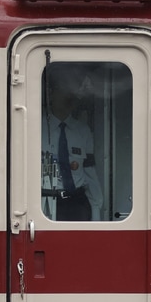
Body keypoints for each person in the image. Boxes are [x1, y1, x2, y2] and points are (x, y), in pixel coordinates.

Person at [40, 64, 101, 221]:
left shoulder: (83, 131)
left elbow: (90, 172)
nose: (69, 96)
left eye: (72, 91)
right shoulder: (35, 129)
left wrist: (96, 212)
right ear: (51, 94)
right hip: (44, 202)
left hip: (77, 203)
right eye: (63, 90)